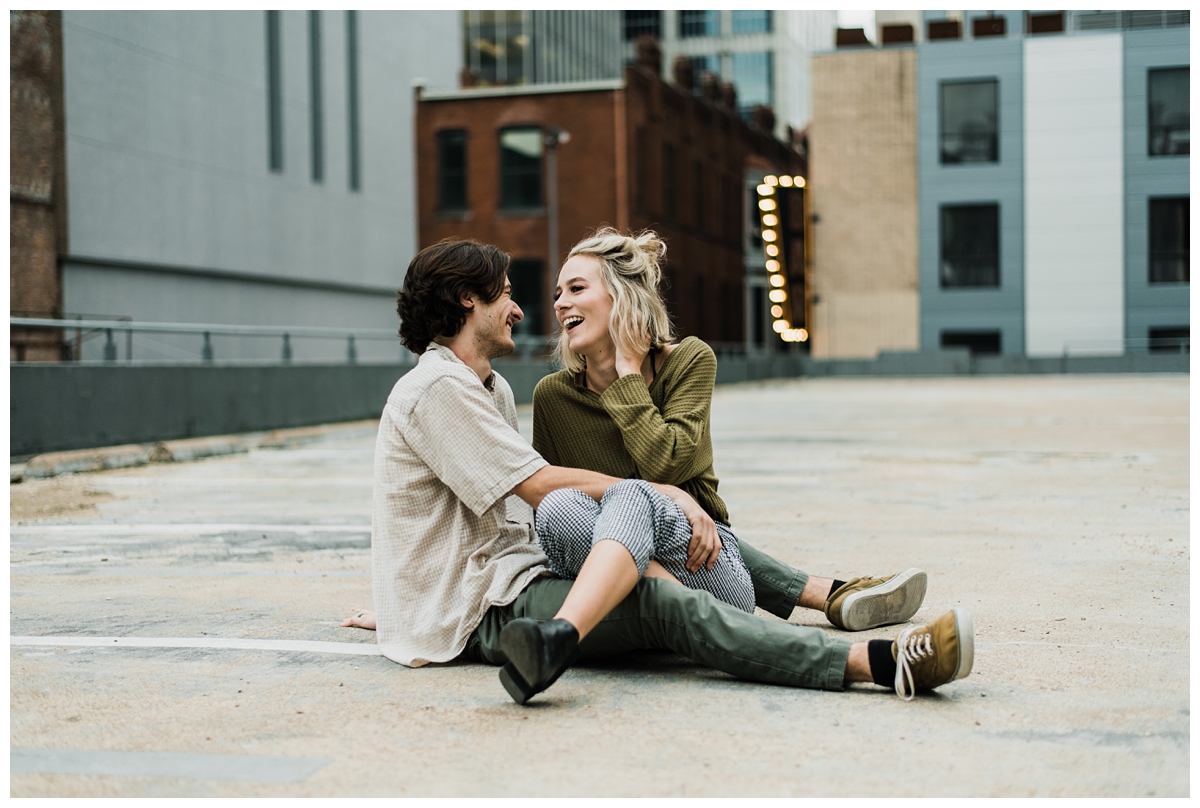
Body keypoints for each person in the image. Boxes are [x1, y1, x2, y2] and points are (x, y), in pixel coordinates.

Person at [357, 237, 974, 705]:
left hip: (521, 576)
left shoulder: (480, 386)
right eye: (510, 293)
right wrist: (417, 609)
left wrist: (410, 603)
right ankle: (883, 662)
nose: (522, 309)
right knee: (659, 599)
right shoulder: (438, 388)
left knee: (617, 523)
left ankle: (809, 600)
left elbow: (509, 513)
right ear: (470, 299)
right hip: (490, 603)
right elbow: (539, 487)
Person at [531, 227, 930, 631]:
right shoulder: (553, 396)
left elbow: (665, 464)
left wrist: (627, 376)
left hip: (692, 554)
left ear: (623, 297)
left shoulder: (687, 361)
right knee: (571, 510)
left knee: (646, 510)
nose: (561, 304)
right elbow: (549, 497)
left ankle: (820, 597)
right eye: (557, 295)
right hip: (602, 559)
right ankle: (827, 593)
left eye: (576, 289)